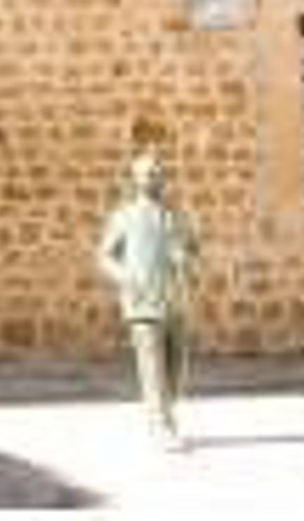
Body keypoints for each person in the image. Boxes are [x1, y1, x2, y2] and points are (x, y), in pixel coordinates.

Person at [95, 151, 199, 451]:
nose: (154, 177)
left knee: (176, 370)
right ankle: (162, 426)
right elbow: (104, 256)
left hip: (174, 302)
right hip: (142, 305)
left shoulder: (176, 216)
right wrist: (126, 277)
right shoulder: (124, 217)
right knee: (153, 371)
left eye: (157, 172)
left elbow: (193, 248)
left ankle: (163, 414)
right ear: (136, 180)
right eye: (148, 173)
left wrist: (186, 259)